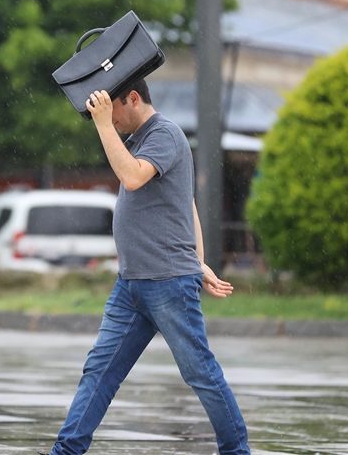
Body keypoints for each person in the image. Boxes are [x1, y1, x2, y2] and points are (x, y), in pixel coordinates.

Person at [42, 80, 250, 455]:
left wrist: (104, 125)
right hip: (131, 286)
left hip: (168, 283)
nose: (109, 118)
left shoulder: (164, 134)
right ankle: (66, 451)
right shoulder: (138, 140)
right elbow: (185, 204)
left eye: (112, 108)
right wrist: (199, 261)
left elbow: (133, 177)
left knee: (200, 373)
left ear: (133, 98)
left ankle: (237, 451)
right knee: (100, 371)